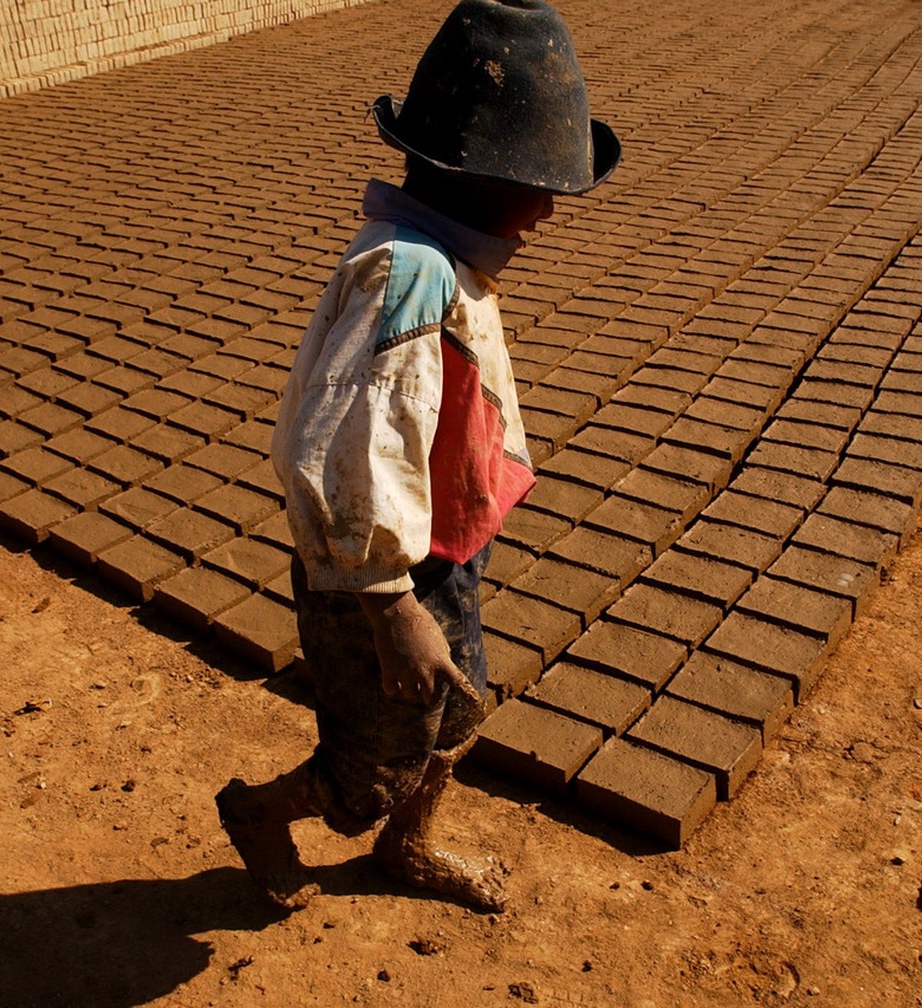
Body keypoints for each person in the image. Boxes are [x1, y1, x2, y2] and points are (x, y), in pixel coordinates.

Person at [215, 0, 620, 913]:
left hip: (438, 554)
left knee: (456, 714)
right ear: (475, 179)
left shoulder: (444, 258)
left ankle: (411, 846)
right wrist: (392, 607)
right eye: (542, 184)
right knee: (374, 765)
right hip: (378, 582)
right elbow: (349, 447)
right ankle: (261, 811)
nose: (551, 209)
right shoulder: (409, 274)